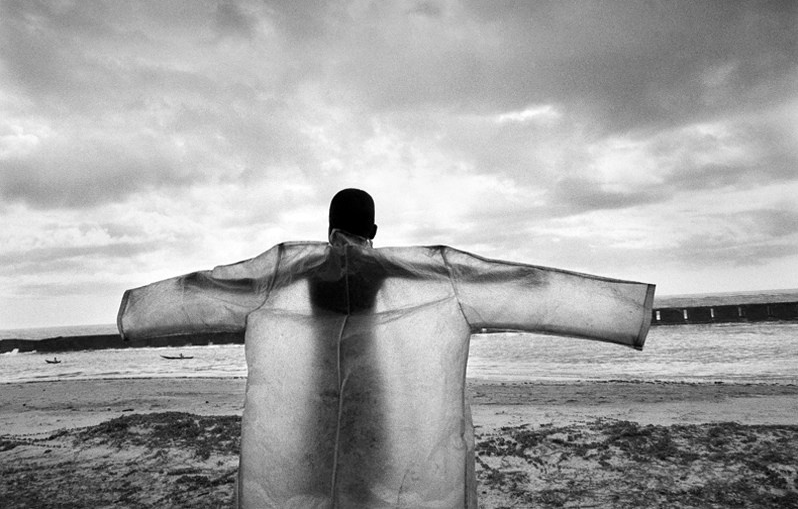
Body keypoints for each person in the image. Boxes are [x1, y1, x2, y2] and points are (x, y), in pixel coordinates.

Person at [117, 188, 655, 508]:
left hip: (314, 398)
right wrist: (624, 311)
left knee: (312, 485)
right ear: (373, 227)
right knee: (372, 482)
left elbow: (205, 290)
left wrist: (135, 315)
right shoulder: (416, 273)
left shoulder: (286, 273)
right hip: (375, 395)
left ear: (327, 226)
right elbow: (516, 284)